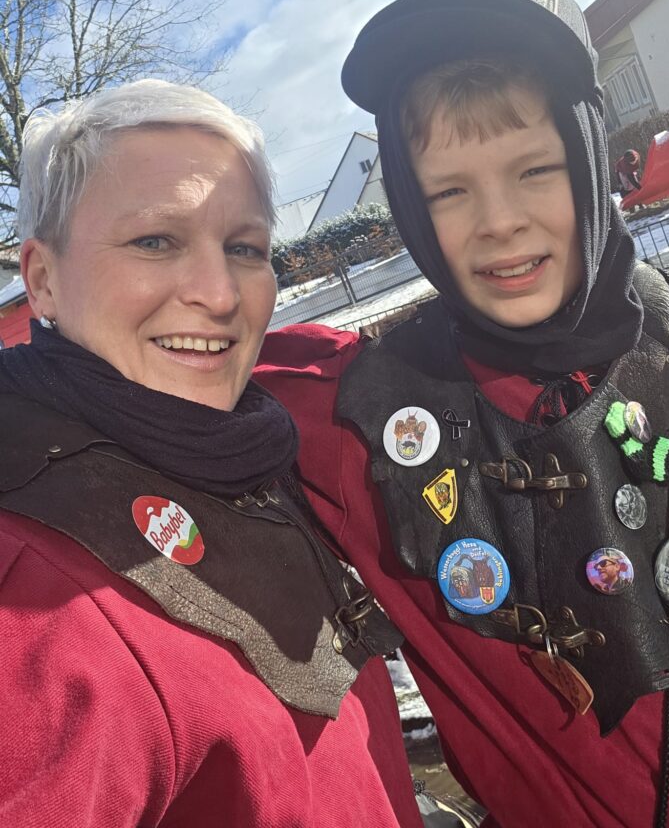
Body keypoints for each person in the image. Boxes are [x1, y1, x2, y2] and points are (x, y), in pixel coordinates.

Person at [257, 0, 669, 827]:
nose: (498, 222)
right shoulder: (352, 422)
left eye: (535, 169)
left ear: (589, 154)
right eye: (448, 191)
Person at [0, 80, 423, 828]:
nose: (221, 294)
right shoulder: (36, 599)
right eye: (154, 241)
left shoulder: (235, 448)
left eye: (245, 248)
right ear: (43, 281)